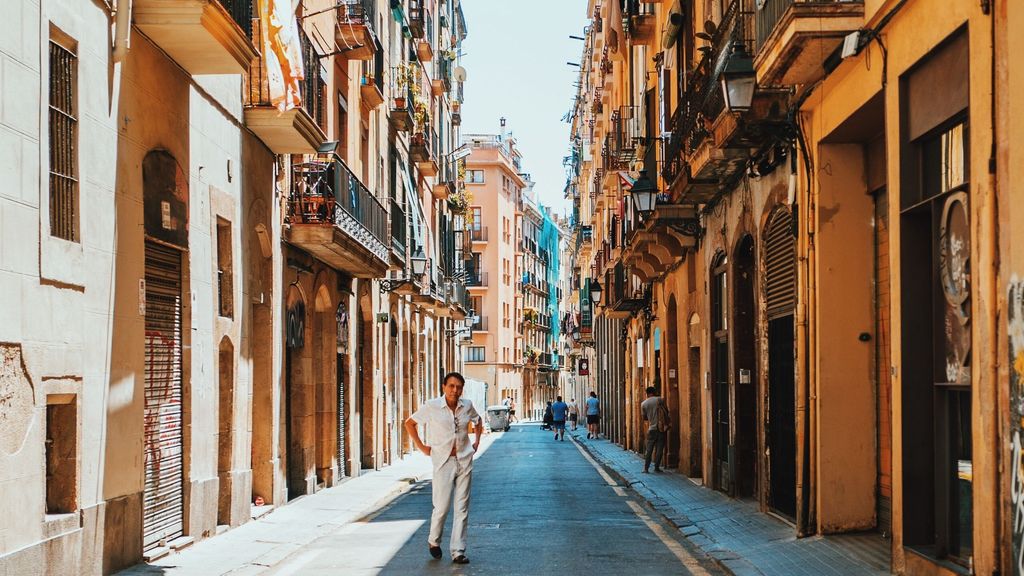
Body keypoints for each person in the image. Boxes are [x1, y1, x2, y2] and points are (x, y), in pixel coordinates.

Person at [404, 372, 482, 565]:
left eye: (458, 387)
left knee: (462, 508)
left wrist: (476, 443)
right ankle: (434, 541)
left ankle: (458, 551)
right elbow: (410, 423)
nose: (455, 391)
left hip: (464, 460)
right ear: (444, 387)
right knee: (442, 507)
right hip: (442, 462)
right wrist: (422, 448)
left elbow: (478, 421)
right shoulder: (432, 406)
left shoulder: (467, 406)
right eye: (451, 386)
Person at [640, 386, 670, 473]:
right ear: (654, 392)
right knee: (659, 449)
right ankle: (656, 467)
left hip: (651, 429)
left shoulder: (643, 404)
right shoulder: (660, 400)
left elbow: (645, 418)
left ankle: (646, 468)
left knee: (649, 449)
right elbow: (666, 412)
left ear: (647, 393)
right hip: (661, 428)